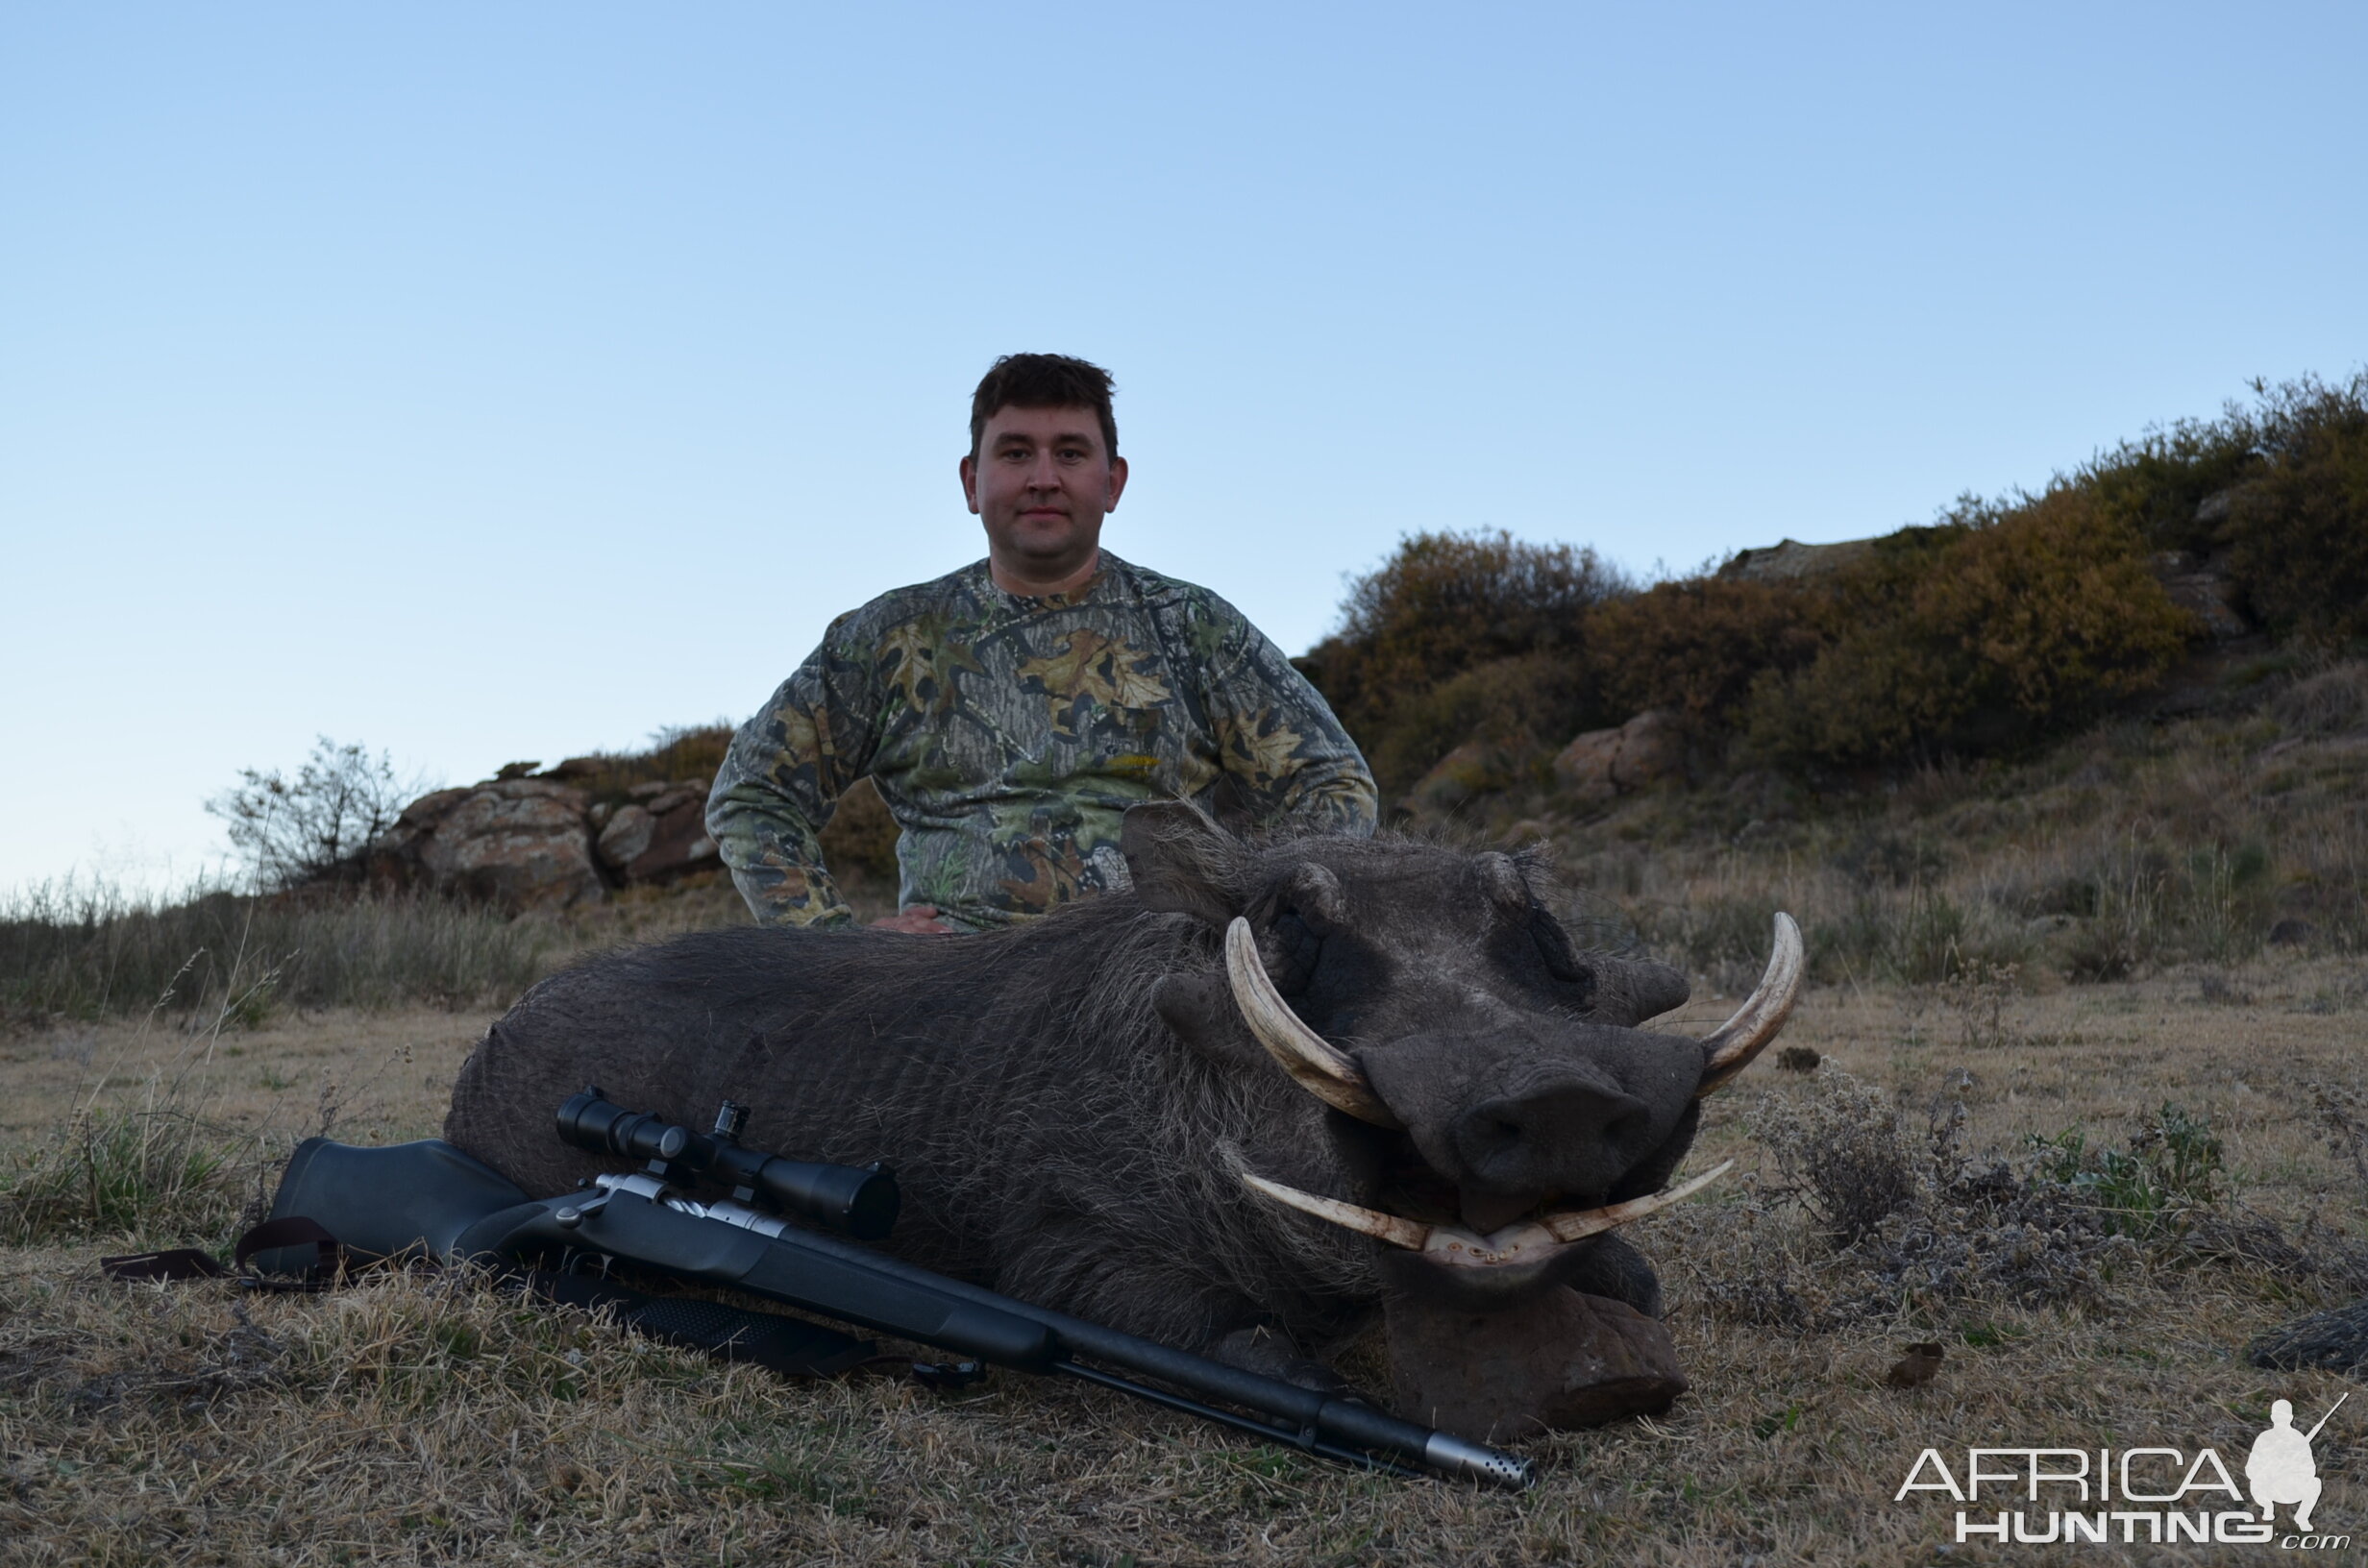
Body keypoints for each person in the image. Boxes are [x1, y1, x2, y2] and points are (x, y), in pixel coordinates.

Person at [706, 353, 1378, 932]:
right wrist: (831, 941)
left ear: (1112, 482)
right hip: (954, 992)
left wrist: (1249, 915)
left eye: (1071, 453)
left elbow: (1331, 784)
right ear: (972, 482)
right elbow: (750, 794)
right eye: (1017, 452)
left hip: (1152, 983)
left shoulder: (1193, 626)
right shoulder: (891, 637)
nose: (1043, 478)